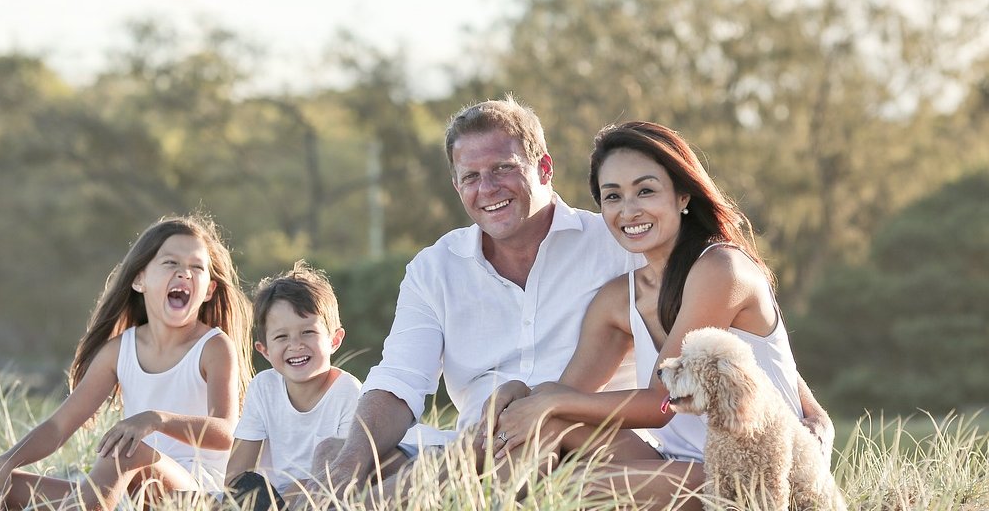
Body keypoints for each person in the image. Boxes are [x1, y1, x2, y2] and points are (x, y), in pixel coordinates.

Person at [487, 121, 834, 509]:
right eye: (612, 196)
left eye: (646, 190)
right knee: (548, 427)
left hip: (752, 475)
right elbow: (572, 398)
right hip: (676, 462)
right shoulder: (618, 298)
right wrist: (525, 396)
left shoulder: (721, 269)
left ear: (683, 195)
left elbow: (661, 404)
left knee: (574, 485)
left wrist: (548, 401)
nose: (629, 210)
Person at [323, 96, 643, 493]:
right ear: (456, 185)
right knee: (336, 454)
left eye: (503, 168)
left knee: (524, 456)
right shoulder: (435, 268)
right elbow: (400, 380)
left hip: (580, 441)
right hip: (474, 447)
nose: (487, 188)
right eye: (470, 176)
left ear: (544, 168)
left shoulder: (618, 246)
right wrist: (347, 467)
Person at [0, 215, 253, 511]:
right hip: (131, 493)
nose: (184, 273)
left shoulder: (213, 347)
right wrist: (5, 461)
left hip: (197, 493)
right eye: (171, 263)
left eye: (196, 267)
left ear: (209, 290)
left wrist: (156, 419)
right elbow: (59, 427)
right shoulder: (119, 351)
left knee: (126, 449)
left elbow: (226, 433)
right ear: (140, 280)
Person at [224, 260, 367, 509]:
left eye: (308, 332)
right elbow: (236, 474)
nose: (296, 345)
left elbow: (345, 476)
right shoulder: (264, 388)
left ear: (334, 339)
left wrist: (293, 495)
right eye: (281, 336)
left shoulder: (348, 393)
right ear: (265, 350)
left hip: (324, 499)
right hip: (271, 500)